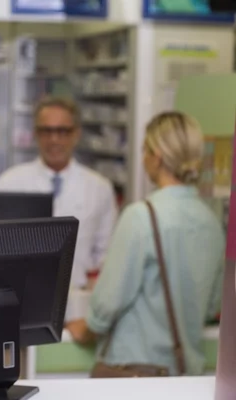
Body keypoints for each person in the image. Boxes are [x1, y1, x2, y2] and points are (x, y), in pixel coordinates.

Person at [67, 111, 225, 375]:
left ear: (157, 157)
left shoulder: (142, 216)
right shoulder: (211, 222)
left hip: (136, 371)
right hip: (185, 373)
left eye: (144, 150)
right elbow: (212, 305)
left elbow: (108, 301)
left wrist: (84, 328)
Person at [0, 97, 118, 290]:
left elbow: (106, 255)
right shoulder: (9, 183)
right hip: (23, 297)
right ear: (35, 134)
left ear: (76, 134)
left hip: (78, 299)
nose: (54, 140)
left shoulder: (99, 187)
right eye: (46, 131)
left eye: (63, 131)